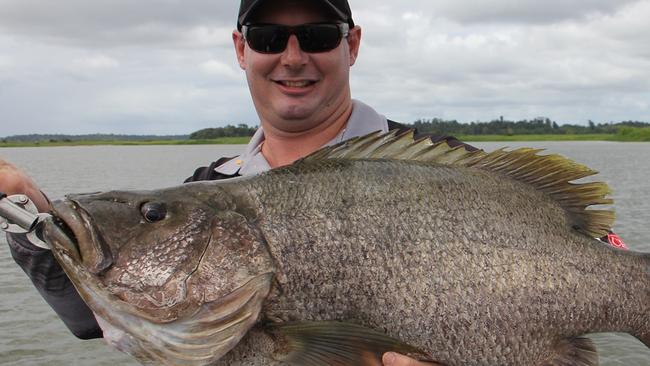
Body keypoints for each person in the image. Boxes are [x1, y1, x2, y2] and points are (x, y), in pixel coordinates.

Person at [0, 0, 625, 365]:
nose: (293, 56)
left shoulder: (444, 163)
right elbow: (90, 316)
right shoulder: (210, 187)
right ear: (242, 49)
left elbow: (609, 262)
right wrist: (30, 215)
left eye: (318, 35)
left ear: (351, 45)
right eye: (271, 37)